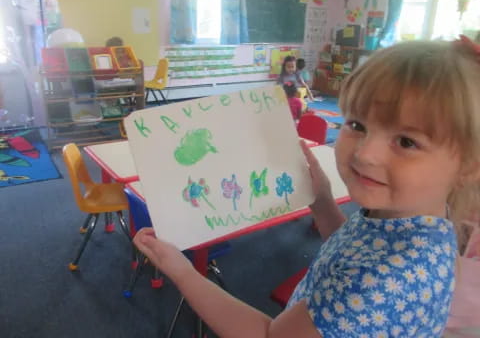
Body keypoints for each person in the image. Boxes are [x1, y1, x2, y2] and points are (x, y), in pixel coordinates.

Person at [133, 38, 480, 338]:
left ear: (469, 167)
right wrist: (323, 201)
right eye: (357, 124)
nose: (365, 153)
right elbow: (353, 245)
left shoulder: (377, 282)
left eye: (406, 141)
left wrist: (180, 270)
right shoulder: (415, 218)